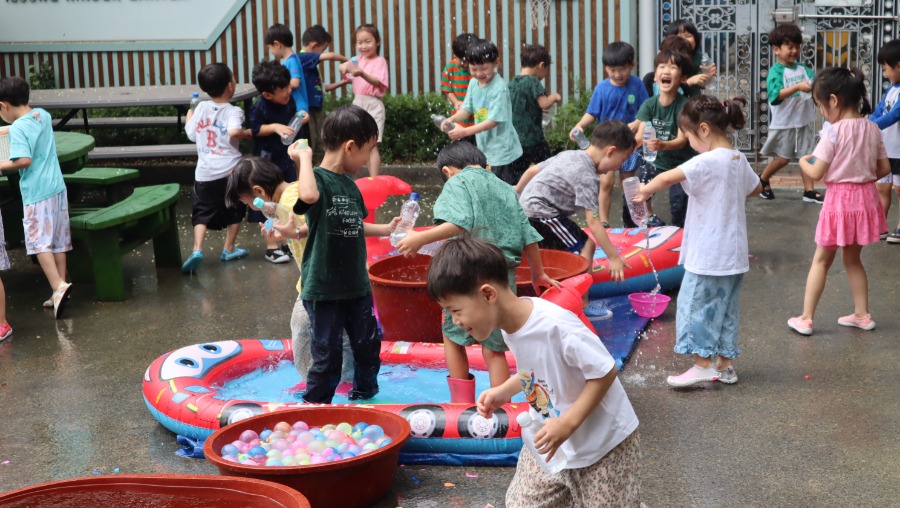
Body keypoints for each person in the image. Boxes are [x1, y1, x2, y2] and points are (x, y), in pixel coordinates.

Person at [426, 235, 641, 507]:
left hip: (604, 445)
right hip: (551, 438)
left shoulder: (555, 325)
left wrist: (567, 423)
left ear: (488, 294)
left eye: (455, 310)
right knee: (522, 503)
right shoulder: (510, 326)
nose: (454, 321)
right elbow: (536, 368)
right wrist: (504, 390)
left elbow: (604, 371)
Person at [395, 141, 556, 403]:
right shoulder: (505, 187)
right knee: (495, 348)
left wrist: (419, 239)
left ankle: (461, 405)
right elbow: (528, 234)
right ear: (485, 165)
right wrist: (539, 274)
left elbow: (459, 223)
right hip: (501, 276)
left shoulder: (457, 183)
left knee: (452, 336)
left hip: (465, 271)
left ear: (447, 171)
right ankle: (501, 409)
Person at [635, 96, 761, 386]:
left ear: (703, 129)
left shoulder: (705, 161)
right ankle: (725, 365)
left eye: (689, 136)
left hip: (708, 254)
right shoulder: (737, 158)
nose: (689, 142)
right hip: (733, 255)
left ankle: (703, 365)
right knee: (725, 309)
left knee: (696, 306)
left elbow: (668, 177)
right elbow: (754, 187)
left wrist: (645, 190)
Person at [289, 104, 399, 403]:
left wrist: (386, 229)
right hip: (324, 288)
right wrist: (305, 157)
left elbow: (355, 224)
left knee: (367, 346)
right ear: (350, 147)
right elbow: (309, 196)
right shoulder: (318, 181)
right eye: (369, 150)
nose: (368, 160)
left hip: (356, 286)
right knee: (327, 354)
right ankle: (316, 406)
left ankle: (365, 398)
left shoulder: (350, 187)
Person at [225, 156, 355, 394]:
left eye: (248, 203)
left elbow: (319, 226)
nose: (250, 208)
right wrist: (283, 233)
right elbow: (299, 227)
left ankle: (313, 380)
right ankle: (345, 379)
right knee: (341, 330)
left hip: (322, 277)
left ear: (258, 191)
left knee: (303, 328)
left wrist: (292, 232)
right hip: (325, 275)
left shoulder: (292, 198)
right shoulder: (291, 194)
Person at [788, 67, 890, 336]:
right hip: (865, 199)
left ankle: (806, 318)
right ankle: (862, 315)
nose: (822, 111)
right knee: (853, 260)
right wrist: (860, 173)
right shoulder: (872, 128)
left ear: (833, 100)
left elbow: (817, 171)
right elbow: (883, 168)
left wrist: (802, 162)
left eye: (819, 105)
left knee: (821, 260)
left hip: (839, 203)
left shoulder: (832, 133)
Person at [517, 120, 635, 318]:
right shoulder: (588, 176)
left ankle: (551, 298)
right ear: (611, 151)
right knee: (586, 246)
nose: (619, 166)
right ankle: (582, 304)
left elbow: (531, 171)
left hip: (530, 208)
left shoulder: (572, 154)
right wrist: (614, 257)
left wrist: (517, 192)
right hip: (542, 213)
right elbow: (594, 223)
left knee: (553, 253)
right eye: (622, 160)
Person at [0, 77, 73, 318]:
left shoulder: (20, 128)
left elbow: (23, 160)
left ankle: (58, 286)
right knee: (58, 241)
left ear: (4, 106)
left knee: (39, 241)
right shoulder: (42, 115)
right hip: (56, 188)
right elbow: (23, 126)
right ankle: (60, 289)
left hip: (36, 193)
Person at [182, 63, 252, 274]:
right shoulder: (234, 111)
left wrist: (188, 118)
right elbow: (233, 132)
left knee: (202, 211)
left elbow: (192, 135)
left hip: (204, 173)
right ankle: (228, 248)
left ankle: (197, 249)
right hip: (231, 171)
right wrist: (247, 133)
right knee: (236, 208)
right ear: (230, 86)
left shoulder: (200, 108)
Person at [570, 41, 649, 228]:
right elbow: (592, 112)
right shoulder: (602, 89)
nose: (617, 74)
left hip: (628, 145)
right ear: (606, 68)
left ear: (632, 65)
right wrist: (580, 125)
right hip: (607, 145)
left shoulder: (637, 85)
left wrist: (637, 124)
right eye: (612, 70)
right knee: (605, 183)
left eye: (622, 69)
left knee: (628, 184)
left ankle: (633, 221)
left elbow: (646, 111)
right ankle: (603, 222)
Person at [442, 38, 526, 186]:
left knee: (505, 190)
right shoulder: (474, 83)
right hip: (486, 150)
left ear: (496, 63)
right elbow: (466, 109)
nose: (479, 73)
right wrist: (452, 120)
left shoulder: (498, 88)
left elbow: (493, 121)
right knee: (490, 187)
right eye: (474, 69)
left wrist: (465, 132)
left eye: (484, 68)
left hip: (504, 153)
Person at [757, 23, 824, 203]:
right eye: (790, 47)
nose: (795, 51)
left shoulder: (803, 69)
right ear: (776, 49)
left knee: (806, 156)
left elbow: (814, 85)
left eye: (797, 46)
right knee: (784, 158)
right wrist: (796, 87)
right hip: (784, 122)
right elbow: (775, 95)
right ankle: (763, 179)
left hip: (801, 122)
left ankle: (809, 191)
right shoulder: (775, 72)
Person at [635, 47, 698, 228]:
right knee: (633, 196)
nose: (666, 71)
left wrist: (661, 144)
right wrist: (626, 149)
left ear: (683, 78)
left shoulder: (684, 106)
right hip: (656, 161)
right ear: (655, 76)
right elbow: (640, 135)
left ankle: (680, 236)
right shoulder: (649, 104)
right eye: (662, 67)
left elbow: (681, 141)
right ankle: (638, 228)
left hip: (681, 164)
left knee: (679, 204)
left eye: (672, 68)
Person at [249, 60, 298, 264]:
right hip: (267, 161)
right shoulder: (260, 107)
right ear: (267, 95)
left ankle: (288, 242)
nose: (288, 91)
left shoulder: (289, 101)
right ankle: (271, 246)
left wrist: (299, 118)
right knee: (268, 203)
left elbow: (293, 119)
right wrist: (276, 127)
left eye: (288, 86)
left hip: (285, 159)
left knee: (287, 199)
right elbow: (255, 129)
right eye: (283, 89)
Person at [335, 24, 389, 177]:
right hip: (357, 103)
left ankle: (374, 179)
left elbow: (378, 82)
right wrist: (344, 67)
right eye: (360, 42)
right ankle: (349, 177)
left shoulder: (380, 61)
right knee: (352, 142)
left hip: (373, 103)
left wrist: (362, 73)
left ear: (377, 42)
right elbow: (344, 69)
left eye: (368, 41)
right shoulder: (357, 60)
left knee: (372, 144)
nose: (363, 46)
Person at [298, 25, 350, 163]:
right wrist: (348, 61)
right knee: (312, 142)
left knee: (322, 141)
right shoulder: (302, 58)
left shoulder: (310, 66)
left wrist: (343, 82)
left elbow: (322, 87)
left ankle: (319, 170)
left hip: (317, 108)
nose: (324, 52)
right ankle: (311, 172)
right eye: (323, 48)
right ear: (315, 46)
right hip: (308, 110)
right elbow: (332, 56)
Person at [508, 43, 561, 166]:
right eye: (546, 70)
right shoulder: (533, 81)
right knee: (548, 167)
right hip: (533, 139)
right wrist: (554, 97)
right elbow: (544, 104)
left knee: (519, 173)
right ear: (541, 65)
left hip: (515, 141)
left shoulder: (512, 83)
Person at [870, 39, 900, 243]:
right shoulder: (890, 89)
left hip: (899, 150)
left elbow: (895, 114)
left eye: (885, 69)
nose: (885, 73)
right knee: (882, 187)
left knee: (899, 189)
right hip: (886, 148)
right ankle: (881, 224)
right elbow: (880, 110)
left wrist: (872, 126)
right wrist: (865, 123)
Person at [265, 23, 309, 133]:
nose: (271, 52)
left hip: (298, 108)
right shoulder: (292, 59)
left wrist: (279, 84)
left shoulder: (291, 61)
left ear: (277, 44)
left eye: (270, 48)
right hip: (297, 107)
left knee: (296, 138)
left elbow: (295, 82)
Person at [440, 32, 478, 144]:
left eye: (468, 61)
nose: (465, 65)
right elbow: (447, 89)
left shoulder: (477, 70)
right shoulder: (450, 68)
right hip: (458, 120)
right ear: (455, 55)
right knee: (460, 147)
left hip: (476, 120)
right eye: (462, 61)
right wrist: (456, 102)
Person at [663, 19, 717, 97]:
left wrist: (707, 77)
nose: (684, 40)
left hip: (694, 103)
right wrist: (689, 82)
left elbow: (705, 86)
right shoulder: (665, 60)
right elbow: (666, 90)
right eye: (679, 37)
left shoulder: (701, 58)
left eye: (688, 36)